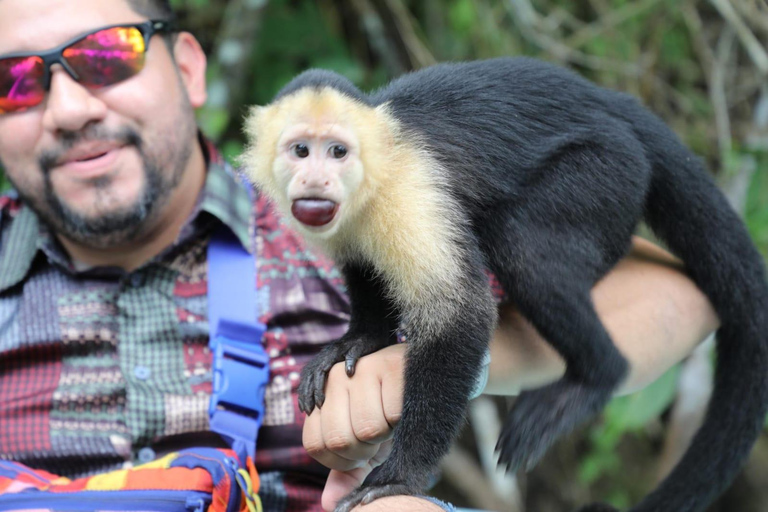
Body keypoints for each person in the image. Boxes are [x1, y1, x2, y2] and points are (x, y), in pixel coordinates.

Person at [0, 0, 719, 511]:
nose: (68, 108)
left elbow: (687, 295)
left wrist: (431, 375)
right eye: (14, 81)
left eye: (105, 56)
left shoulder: (356, 195)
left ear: (189, 68)